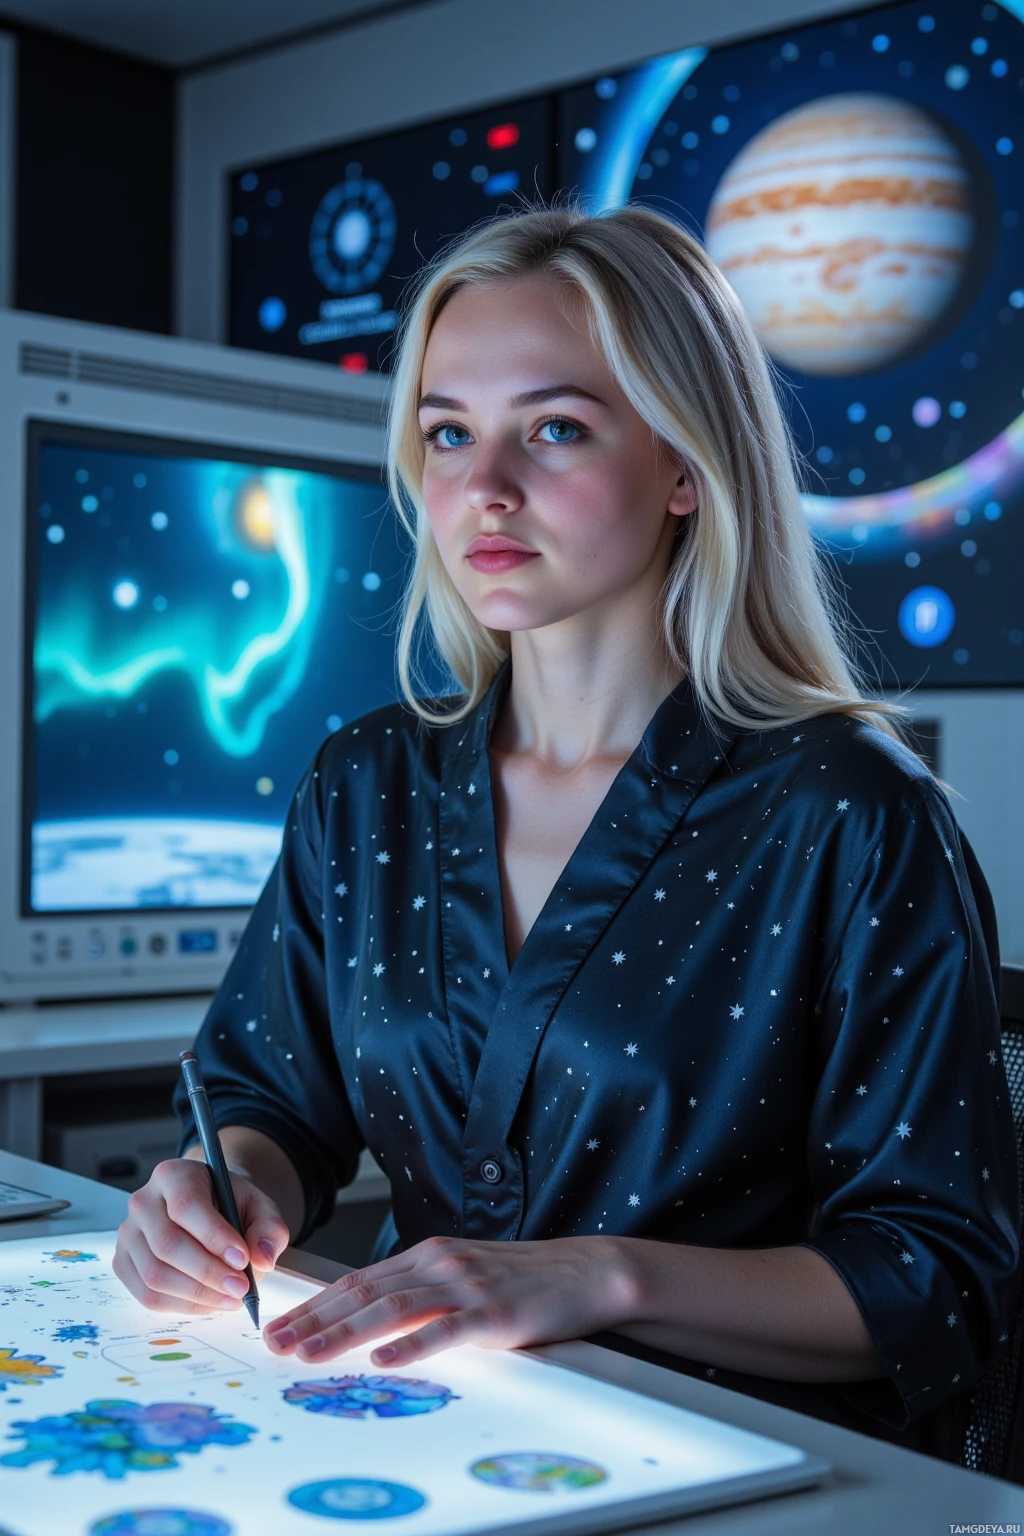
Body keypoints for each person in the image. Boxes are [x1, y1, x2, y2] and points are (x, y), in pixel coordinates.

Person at [113, 205, 1019, 1464]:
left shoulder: (847, 811)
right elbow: (272, 1097)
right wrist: (227, 1197)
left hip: (743, 1463)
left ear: (686, 466)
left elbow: (939, 1277)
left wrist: (598, 1277)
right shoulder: (364, 781)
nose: (482, 487)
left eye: (553, 428)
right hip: (422, 1423)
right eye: (446, 433)